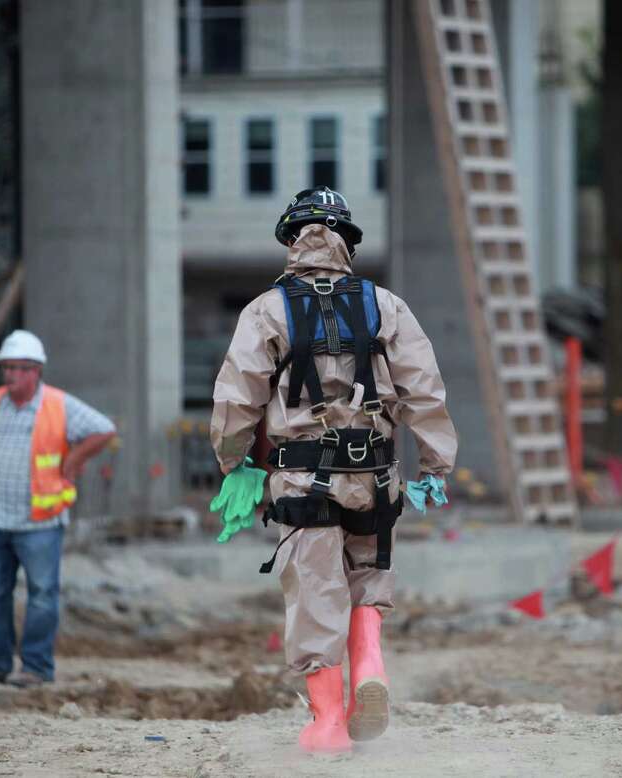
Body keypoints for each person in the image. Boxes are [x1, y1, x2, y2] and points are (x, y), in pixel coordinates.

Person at [210, 186, 458, 753]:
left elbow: (236, 398)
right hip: (374, 474)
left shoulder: (266, 310)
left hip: (302, 477)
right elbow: (426, 390)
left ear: (292, 240)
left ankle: (327, 724)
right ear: (346, 241)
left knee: (317, 591)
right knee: (368, 577)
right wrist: (436, 466)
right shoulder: (385, 305)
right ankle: (370, 669)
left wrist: (234, 463)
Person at [0, 330, 117, 688]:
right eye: (6, 368)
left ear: (36, 371)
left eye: (18, 368)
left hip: (40, 521)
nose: (10, 375)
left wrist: (75, 458)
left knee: (42, 595)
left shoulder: (58, 405)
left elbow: (104, 429)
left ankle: (35, 667)